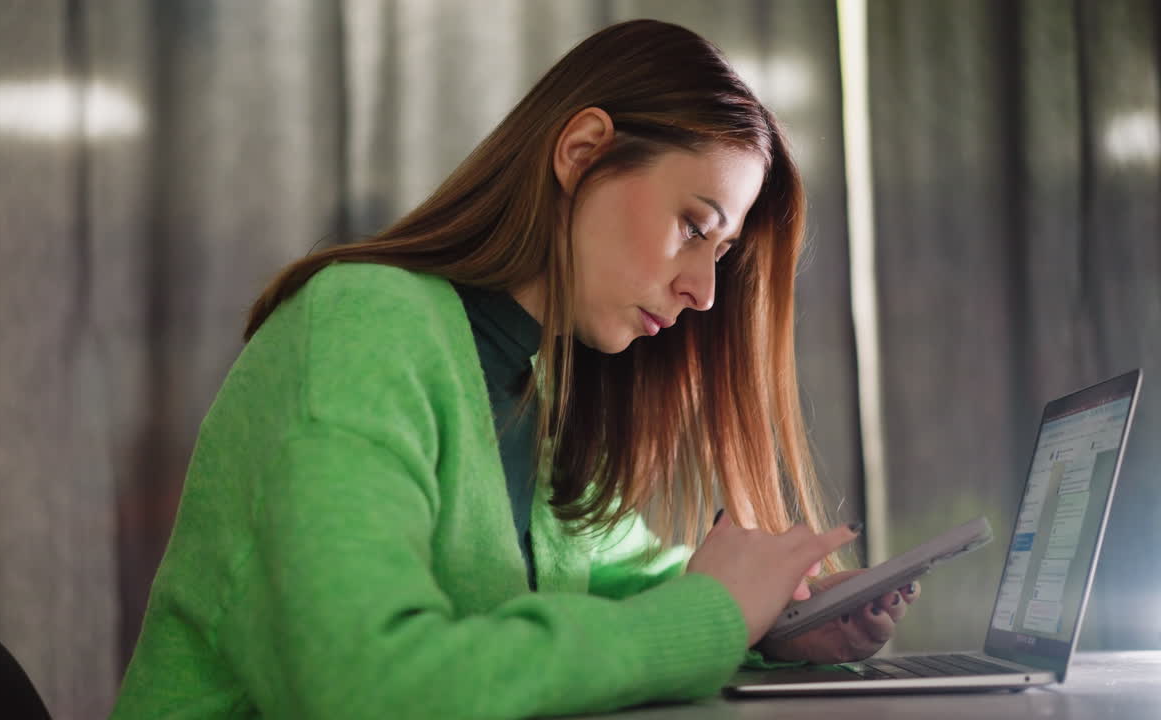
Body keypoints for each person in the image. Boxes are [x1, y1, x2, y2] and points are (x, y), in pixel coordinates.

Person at [110, 18, 919, 719]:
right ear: (581, 151)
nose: (704, 291)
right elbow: (365, 684)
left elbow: (641, 593)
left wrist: (778, 623)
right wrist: (713, 617)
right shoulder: (358, 323)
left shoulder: (538, 388)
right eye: (692, 226)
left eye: (723, 252)